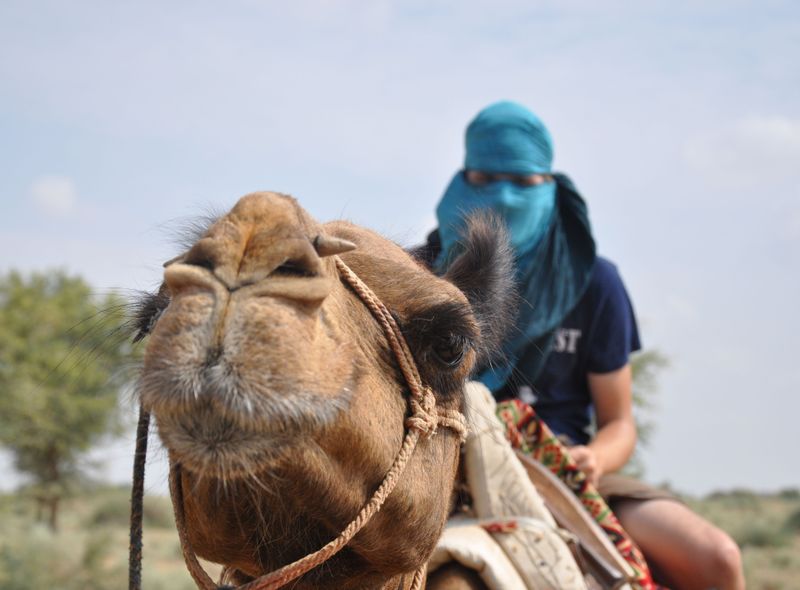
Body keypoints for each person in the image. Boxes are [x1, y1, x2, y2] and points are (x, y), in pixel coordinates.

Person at [421, 101, 744, 590]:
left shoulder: (595, 282)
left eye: (524, 184)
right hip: (445, 469)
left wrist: (593, 459)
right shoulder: (421, 277)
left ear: (551, 186)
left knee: (716, 557)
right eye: (485, 179)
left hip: (564, 473)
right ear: (461, 182)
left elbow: (619, 423)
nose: (504, 197)